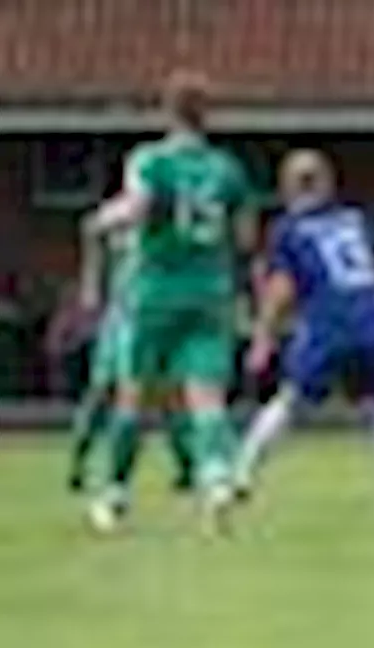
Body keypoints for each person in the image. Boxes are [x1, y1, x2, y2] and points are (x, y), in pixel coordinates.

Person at [79, 70, 256, 535]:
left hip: (154, 291)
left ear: (167, 112)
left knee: (134, 397)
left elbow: (136, 208)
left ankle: (115, 495)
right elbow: (245, 237)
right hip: (211, 293)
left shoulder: (150, 161)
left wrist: (101, 221)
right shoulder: (227, 169)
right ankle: (216, 479)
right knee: (206, 398)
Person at [235, 149, 374, 496]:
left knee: (291, 399)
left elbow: (281, 289)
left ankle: (242, 474)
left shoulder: (289, 230)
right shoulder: (357, 219)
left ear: (288, 187)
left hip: (330, 325)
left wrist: (263, 338)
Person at [65, 229, 196, 495]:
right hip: (122, 318)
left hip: (154, 318)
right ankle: (78, 463)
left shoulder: (168, 225)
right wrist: (90, 284)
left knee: (166, 393)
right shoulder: (123, 222)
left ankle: (187, 466)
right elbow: (92, 231)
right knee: (101, 392)